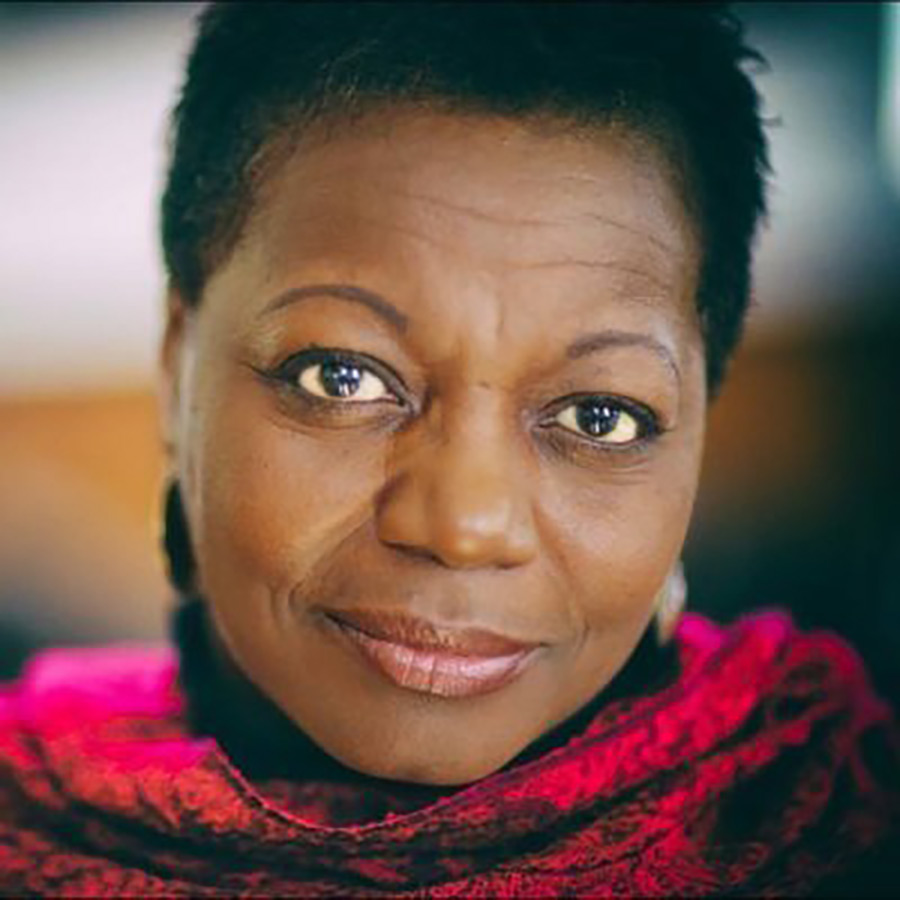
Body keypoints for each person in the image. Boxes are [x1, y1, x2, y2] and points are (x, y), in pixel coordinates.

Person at [1, 3, 897, 895]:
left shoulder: (831, 826)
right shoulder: (24, 814)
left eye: (600, 417)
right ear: (176, 364)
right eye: (343, 377)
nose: (465, 526)